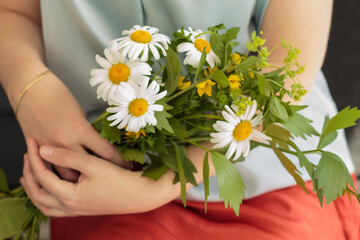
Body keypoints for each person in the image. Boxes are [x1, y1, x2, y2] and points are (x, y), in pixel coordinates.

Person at [0, 0, 358, 239]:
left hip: (263, 157)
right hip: (105, 162)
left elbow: (285, 72)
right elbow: (14, 11)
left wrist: (153, 189)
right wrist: (32, 89)